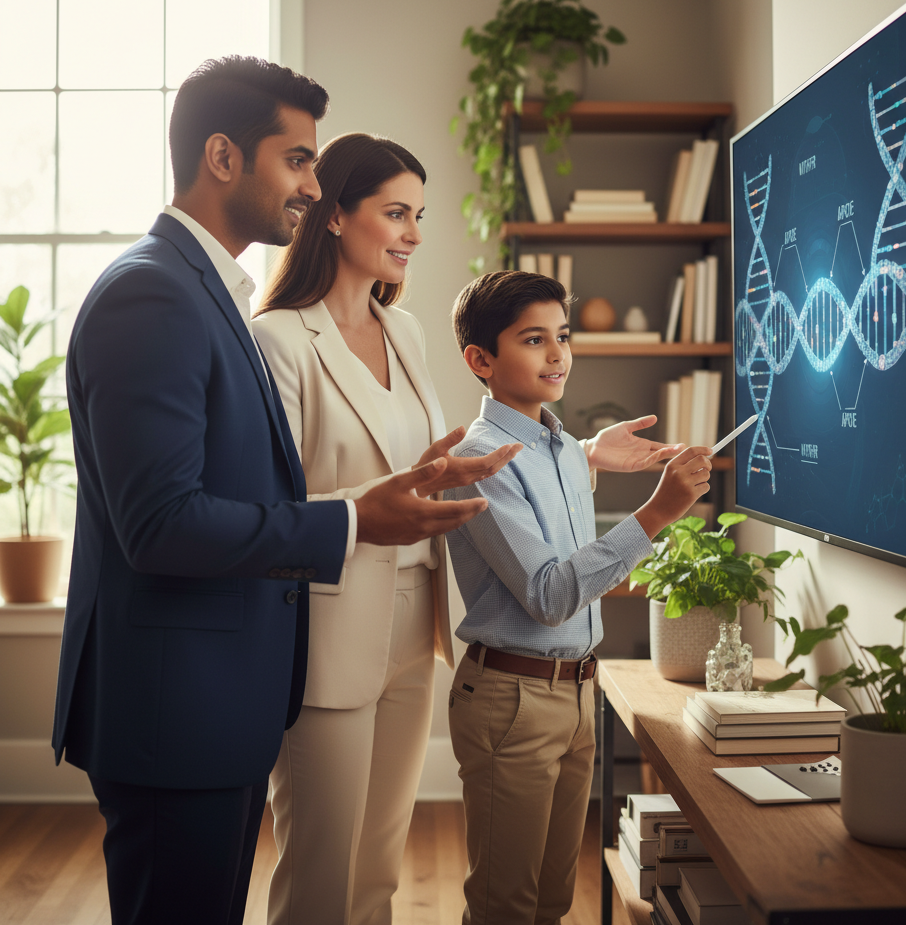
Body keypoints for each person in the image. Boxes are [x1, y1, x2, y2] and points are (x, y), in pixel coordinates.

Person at [51, 58, 487, 925]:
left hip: (221, 697)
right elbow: (161, 524)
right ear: (222, 156)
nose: (313, 185)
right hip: (179, 707)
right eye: (297, 161)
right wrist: (359, 516)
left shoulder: (206, 291)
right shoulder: (155, 294)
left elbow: (244, 482)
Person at [250, 132, 520, 925]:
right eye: (396, 212)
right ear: (334, 215)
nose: (414, 233)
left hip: (418, 619)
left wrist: (453, 472)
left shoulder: (405, 332)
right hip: (329, 622)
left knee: (378, 865)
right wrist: (396, 492)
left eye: (420, 215)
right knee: (320, 870)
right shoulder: (278, 339)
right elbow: (281, 502)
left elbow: (422, 461)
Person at [445, 270, 713, 924]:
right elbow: (549, 593)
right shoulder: (480, 460)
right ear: (480, 359)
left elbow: (565, 544)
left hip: (576, 694)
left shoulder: (560, 446)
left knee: (553, 901)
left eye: (562, 336)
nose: (557, 354)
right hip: (512, 702)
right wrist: (657, 514)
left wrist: (587, 454)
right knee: (503, 905)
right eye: (534, 339)